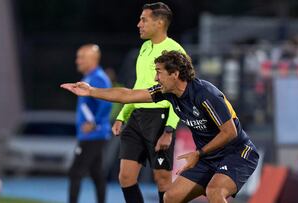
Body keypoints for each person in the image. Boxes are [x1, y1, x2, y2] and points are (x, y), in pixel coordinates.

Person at [61, 50, 259, 203]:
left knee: (214, 191)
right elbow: (128, 95)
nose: (156, 78)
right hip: (208, 157)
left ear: (174, 74)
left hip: (238, 153)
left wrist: (199, 153)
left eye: (159, 72)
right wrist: (91, 92)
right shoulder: (167, 92)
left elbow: (230, 132)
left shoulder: (205, 94)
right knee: (170, 198)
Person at [111, 2, 185, 203]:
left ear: (159, 22)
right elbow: (138, 85)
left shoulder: (175, 52)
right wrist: (122, 115)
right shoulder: (144, 48)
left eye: (144, 19)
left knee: (162, 179)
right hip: (136, 118)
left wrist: (169, 130)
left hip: (159, 120)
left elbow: (182, 94)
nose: (138, 24)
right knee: (125, 177)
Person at [68, 44, 112, 203]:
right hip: (92, 133)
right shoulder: (88, 78)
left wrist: (94, 123)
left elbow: (107, 103)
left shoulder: (98, 78)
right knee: (97, 173)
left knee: (75, 172)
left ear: (93, 59)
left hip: (94, 134)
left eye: (81, 57)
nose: (77, 61)